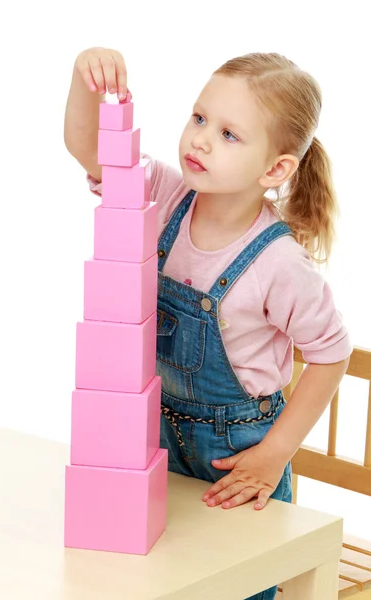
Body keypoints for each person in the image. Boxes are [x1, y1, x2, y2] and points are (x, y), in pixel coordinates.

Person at [64, 47, 353, 600]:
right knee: (157, 579)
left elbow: (330, 354)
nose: (199, 138)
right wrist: (84, 79)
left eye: (228, 134)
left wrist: (274, 455)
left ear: (276, 169)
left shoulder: (279, 264)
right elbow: (93, 152)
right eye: (199, 118)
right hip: (158, 438)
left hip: (239, 455)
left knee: (234, 586)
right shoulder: (166, 196)